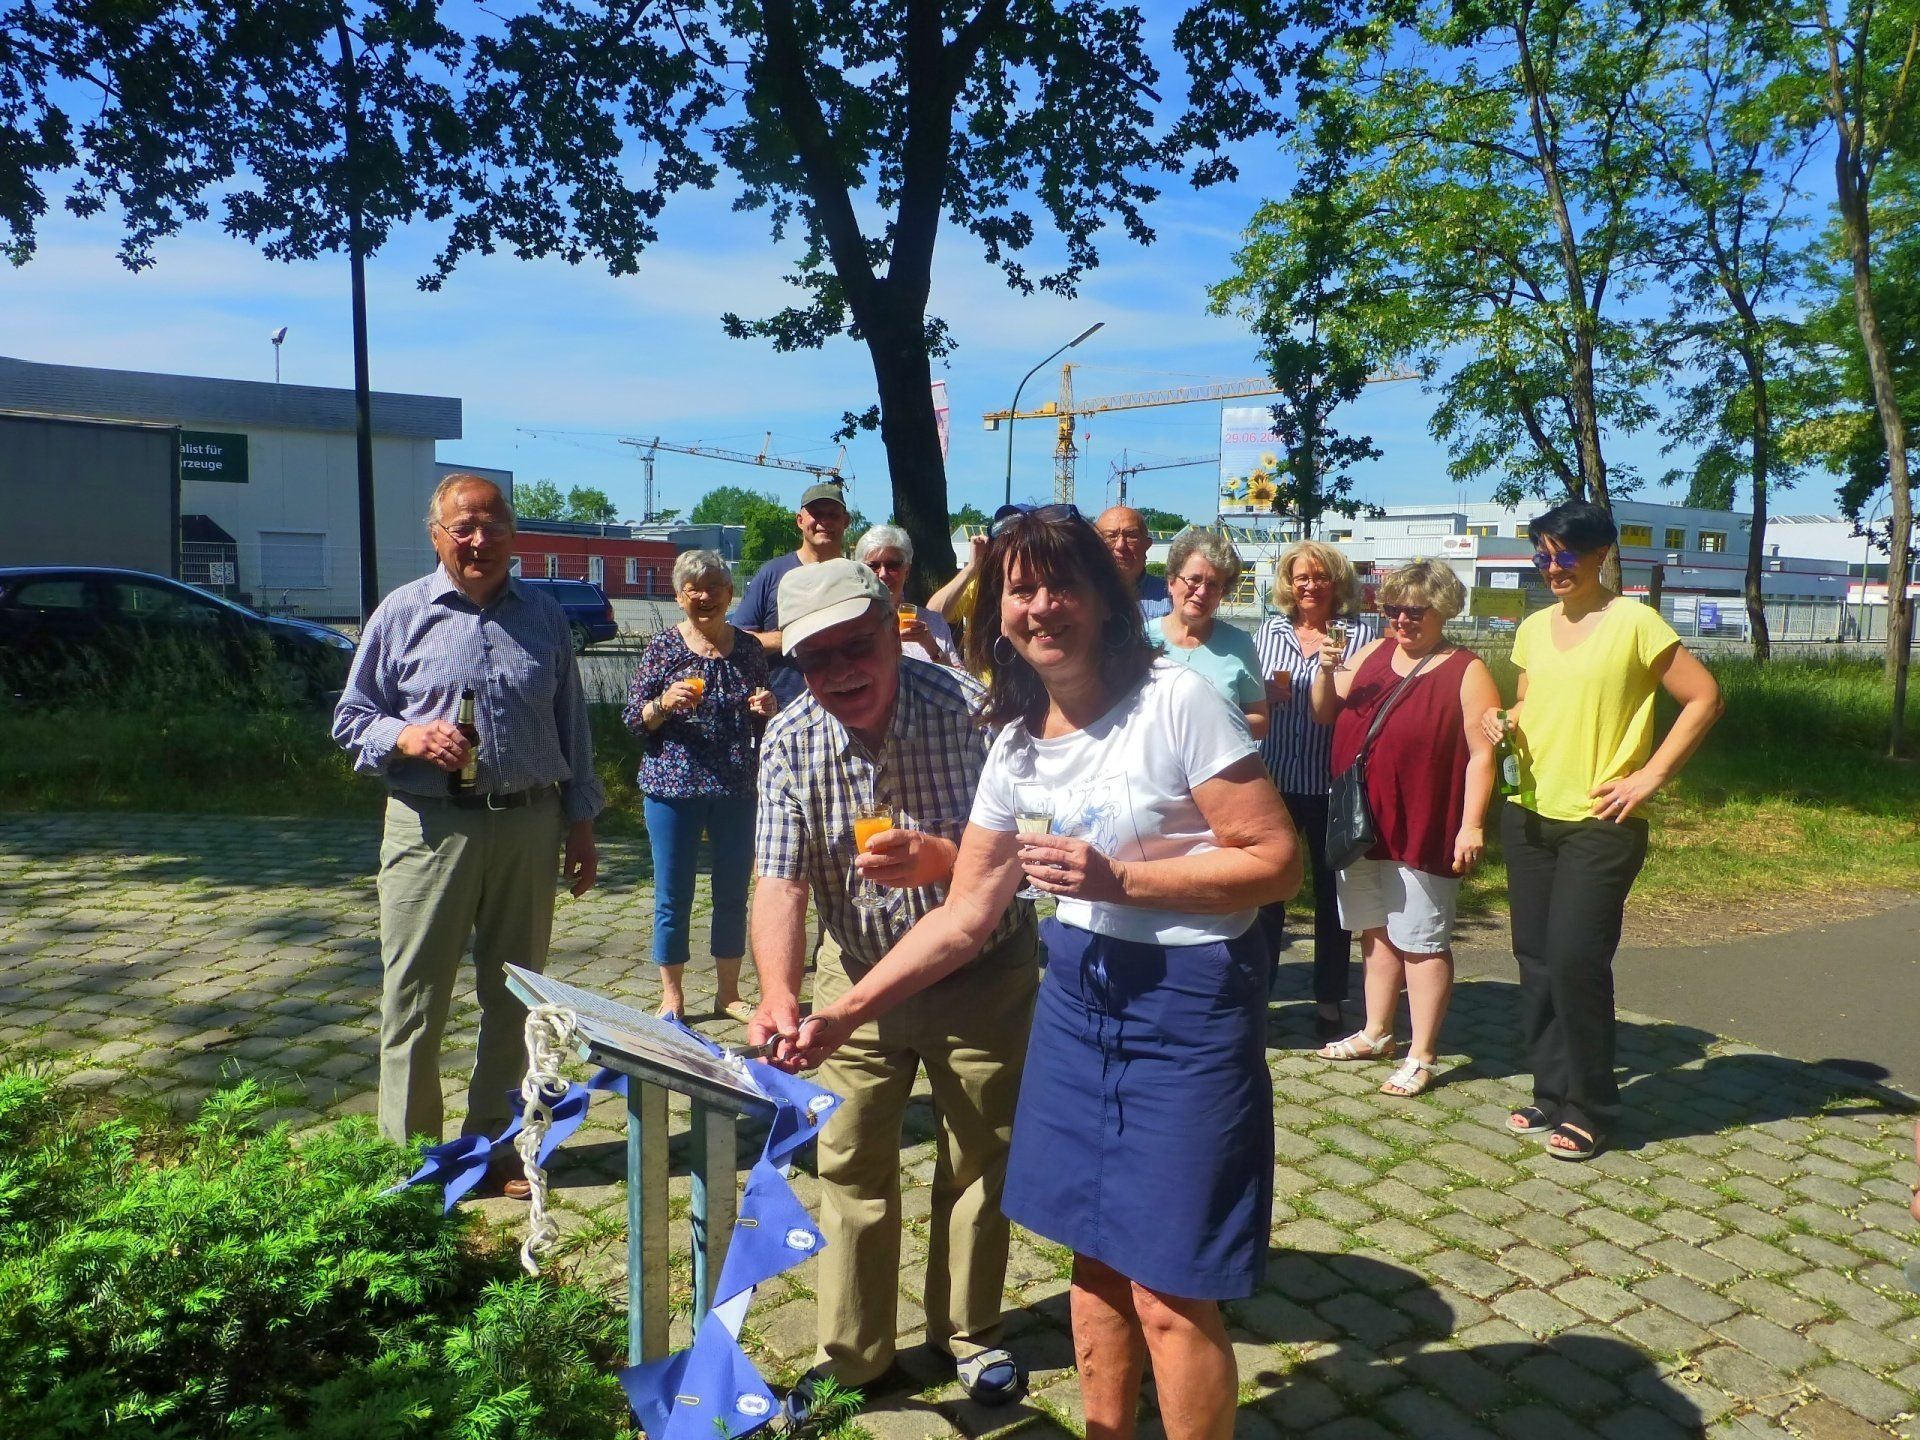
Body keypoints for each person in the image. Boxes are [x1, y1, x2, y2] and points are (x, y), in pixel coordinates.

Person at [781, 509, 1301, 1440]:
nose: (1042, 606)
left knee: (1170, 1288)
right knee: (1095, 1260)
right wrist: (843, 1012)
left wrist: (1124, 881)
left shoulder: (1176, 699)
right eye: (1020, 589)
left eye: (1063, 584)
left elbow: (1274, 861)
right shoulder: (1016, 741)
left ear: (1105, 598)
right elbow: (967, 913)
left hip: (1185, 1009)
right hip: (1073, 1002)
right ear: (998, 613)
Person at [746, 558, 1040, 1414]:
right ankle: (857, 1358)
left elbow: (1028, 864)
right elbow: (779, 879)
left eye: (857, 645)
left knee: (980, 1158)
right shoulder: (790, 737)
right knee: (850, 1162)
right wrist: (776, 992)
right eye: (816, 659)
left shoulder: (973, 710)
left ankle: (970, 1335)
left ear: (894, 624)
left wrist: (947, 860)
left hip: (984, 975)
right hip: (860, 986)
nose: (840, 673)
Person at [332, 474, 601, 1198]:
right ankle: (413, 1159)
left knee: (516, 999)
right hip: (428, 829)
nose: (479, 540)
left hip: (529, 825)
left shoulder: (544, 616)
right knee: (414, 1000)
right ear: (438, 536)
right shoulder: (403, 614)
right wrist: (410, 736)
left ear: (514, 535)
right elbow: (352, 717)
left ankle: (499, 1149)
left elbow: (572, 724)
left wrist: (581, 823)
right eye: (463, 527)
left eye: (492, 526)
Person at [1481, 500, 1722, 1161]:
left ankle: (1593, 1106)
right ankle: (1552, 1090)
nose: (1552, 566)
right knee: (1534, 960)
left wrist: (1650, 777)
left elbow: (1705, 697)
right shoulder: (1532, 628)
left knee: (1575, 961)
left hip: (1601, 821)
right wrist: (1503, 719)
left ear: (1599, 555)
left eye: (1564, 554)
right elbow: (1532, 700)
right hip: (1529, 810)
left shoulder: (1634, 623)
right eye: (1542, 553)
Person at [1309, 560, 1498, 1098]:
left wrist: (1472, 825)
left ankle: (1422, 1053)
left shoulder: (1466, 670)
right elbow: (1324, 712)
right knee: (1375, 929)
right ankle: (1376, 1031)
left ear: (1442, 610)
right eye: (1392, 609)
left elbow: (1482, 755)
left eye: (1414, 611)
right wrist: (1324, 670)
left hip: (1423, 818)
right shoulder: (1371, 651)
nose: (1401, 621)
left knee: (1421, 939)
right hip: (1364, 821)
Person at [623, 549, 778, 1021]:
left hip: (736, 789)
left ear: (731, 594)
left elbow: (766, 719)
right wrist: (663, 704)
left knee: (732, 892)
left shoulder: (749, 649)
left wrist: (768, 710)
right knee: (674, 894)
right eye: (695, 589)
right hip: (672, 790)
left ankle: (727, 993)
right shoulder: (663, 648)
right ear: (679, 597)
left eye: (715, 588)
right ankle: (672, 996)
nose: (705, 596)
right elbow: (632, 720)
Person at [1253, 541, 1375, 1038]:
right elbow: (1244, 691)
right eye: (1301, 577)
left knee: (1334, 897)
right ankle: (1257, 995)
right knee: (1267, 893)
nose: (1310, 586)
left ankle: (1329, 999)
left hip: (1332, 782)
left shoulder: (1362, 633)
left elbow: (1371, 698)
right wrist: (1265, 690)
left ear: (1336, 581)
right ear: (1288, 582)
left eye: (1320, 577)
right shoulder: (1270, 631)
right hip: (1275, 779)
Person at [731, 480, 852, 707]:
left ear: (846, 521)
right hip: (782, 709)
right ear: (800, 520)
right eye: (816, 514)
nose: (824, 522)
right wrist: (787, 638)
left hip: (845, 706)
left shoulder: (857, 578)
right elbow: (735, 640)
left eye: (833, 515)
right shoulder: (772, 574)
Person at [1152, 528, 1267, 741]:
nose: (1202, 592)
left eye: (1213, 584)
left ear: (1222, 593)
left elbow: (1260, 721)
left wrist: (1214, 725)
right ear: (1171, 581)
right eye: (1193, 579)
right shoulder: (1142, 638)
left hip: (1216, 769)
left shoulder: (1239, 644)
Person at [853, 523, 960, 666]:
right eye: (873, 566)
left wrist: (931, 646)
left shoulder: (933, 623)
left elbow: (959, 684)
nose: (883, 574)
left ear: (907, 571)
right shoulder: (851, 622)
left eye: (892, 565)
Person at [1094, 504, 1172, 617]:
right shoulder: (1079, 596)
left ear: (1147, 544)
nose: (1120, 546)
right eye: (1111, 536)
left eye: (1131, 536)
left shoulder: (1172, 598)